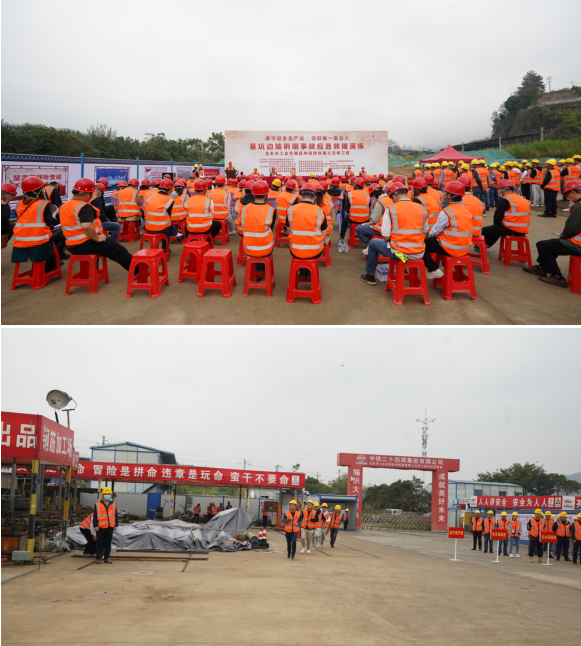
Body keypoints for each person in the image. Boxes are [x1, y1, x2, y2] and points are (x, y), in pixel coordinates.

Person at [360, 181, 427, 286]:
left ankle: (370, 276)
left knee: (373, 243)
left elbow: (386, 237)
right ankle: (404, 269)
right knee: (402, 251)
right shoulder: (421, 208)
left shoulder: (391, 210)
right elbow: (425, 234)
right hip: (419, 253)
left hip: (399, 254)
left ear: (394, 196)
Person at [60, 178, 134, 271]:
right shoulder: (83, 207)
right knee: (119, 250)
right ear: (87, 194)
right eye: (92, 193)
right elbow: (87, 226)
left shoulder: (64, 206)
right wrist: (97, 238)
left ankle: (92, 271)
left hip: (72, 245)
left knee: (106, 247)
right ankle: (137, 269)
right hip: (85, 243)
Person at [523, 180, 581, 287]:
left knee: (543, 245)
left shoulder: (579, 207)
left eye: (567, 195)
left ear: (573, 192)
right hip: (578, 242)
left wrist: (563, 236)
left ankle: (557, 276)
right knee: (552, 244)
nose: (568, 198)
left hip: (578, 245)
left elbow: (571, 228)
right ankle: (542, 267)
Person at [421, 180, 473, 280]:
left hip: (451, 248)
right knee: (440, 239)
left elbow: (435, 230)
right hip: (466, 248)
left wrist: (427, 236)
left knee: (421, 244)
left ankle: (433, 269)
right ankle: (447, 267)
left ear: (449, 195)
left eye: (445, 192)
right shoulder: (465, 210)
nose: (443, 193)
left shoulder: (447, 212)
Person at [11, 176, 60, 273]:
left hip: (19, 242)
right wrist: (54, 215)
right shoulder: (43, 204)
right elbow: (50, 222)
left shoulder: (18, 204)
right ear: (37, 191)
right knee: (60, 233)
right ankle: (50, 263)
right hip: (39, 242)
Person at [287, 183, 328, 277]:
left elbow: (289, 232)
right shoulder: (320, 211)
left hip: (295, 250)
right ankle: (309, 271)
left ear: (300, 196)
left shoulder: (290, 210)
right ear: (314, 198)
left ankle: (302, 270)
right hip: (315, 251)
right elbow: (323, 235)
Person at [235, 180, 274, 272]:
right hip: (266, 248)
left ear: (253, 194)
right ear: (266, 195)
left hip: (248, 247)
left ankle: (257, 266)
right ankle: (260, 267)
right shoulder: (271, 210)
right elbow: (270, 228)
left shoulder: (244, 208)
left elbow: (243, 225)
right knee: (270, 235)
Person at [480, 180, 530, 250]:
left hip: (512, 229)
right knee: (497, 228)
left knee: (487, 230)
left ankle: (483, 246)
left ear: (502, 189)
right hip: (524, 230)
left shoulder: (504, 200)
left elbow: (497, 218)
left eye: (498, 190)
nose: (498, 192)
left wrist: (497, 224)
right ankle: (487, 245)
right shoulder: (523, 199)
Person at [338, 177, 369, 250]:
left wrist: (352, 212)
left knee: (344, 220)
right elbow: (369, 205)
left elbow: (347, 207)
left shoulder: (350, 194)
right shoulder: (367, 194)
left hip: (353, 218)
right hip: (366, 219)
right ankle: (367, 239)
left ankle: (342, 237)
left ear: (355, 185)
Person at [93, 487, 118, 564]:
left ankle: (106, 557)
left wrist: (116, 525)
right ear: (103, 495)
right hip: (101, 527)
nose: (107, 495)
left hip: (110, 527)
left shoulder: (114, 504)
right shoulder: (97, 504)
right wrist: (95, 525)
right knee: (99, 543)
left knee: (108, 543)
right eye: (106, 494)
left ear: (111, 495)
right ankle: (98, 558)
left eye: (109, 494)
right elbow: (95, 516)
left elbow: (115, 515)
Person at [1, 182, 17, 249]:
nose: (12, 198)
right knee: (12, 226)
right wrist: (3, 242)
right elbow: (4, 226)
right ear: (5, 195)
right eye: (12, 196)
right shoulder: (3, 206)